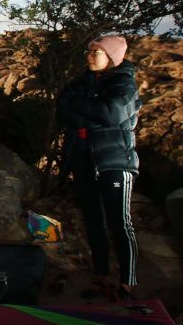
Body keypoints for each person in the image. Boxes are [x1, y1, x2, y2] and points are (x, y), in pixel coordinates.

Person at [57, 35, 142, 302]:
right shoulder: (80, 82)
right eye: (90, 50)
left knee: (120, 221)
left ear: (112, 57)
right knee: (94, 220)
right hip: (82, 158)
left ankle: (127, 283)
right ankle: (100, 276)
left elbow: (113, 113)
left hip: (114, 161)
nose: (91, 55)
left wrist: (83, 113)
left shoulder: (123, 81)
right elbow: (62, 109)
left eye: (98, 51)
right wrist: (94, 113)